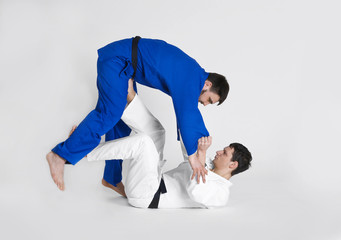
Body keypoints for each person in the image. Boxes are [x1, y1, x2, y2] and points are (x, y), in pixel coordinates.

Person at [46, 37, 230, 191]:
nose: (205, 104)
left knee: (122, 123)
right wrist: (193, 158)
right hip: (118, 60)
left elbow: (191, 115)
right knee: (110, 113)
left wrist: (198, 150)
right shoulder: (192, 78)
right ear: (207, 85)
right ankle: (60, 155)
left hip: (126, 67)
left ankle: (111, 178)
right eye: (209, 100)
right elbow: (188, 115)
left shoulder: (192, 76)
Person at [86, 80, 252, 208]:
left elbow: (196, 192)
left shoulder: (221, 193)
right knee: (157, 132)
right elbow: (188, 153)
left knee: (144, 143)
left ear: (233, 164)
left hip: (148, 196)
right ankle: (129, 96)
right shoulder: (207, 163)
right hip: (153, 178)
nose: (218, 152)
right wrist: (187, 119)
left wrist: (200, 155)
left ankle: (85, 149)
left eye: (224, 153)